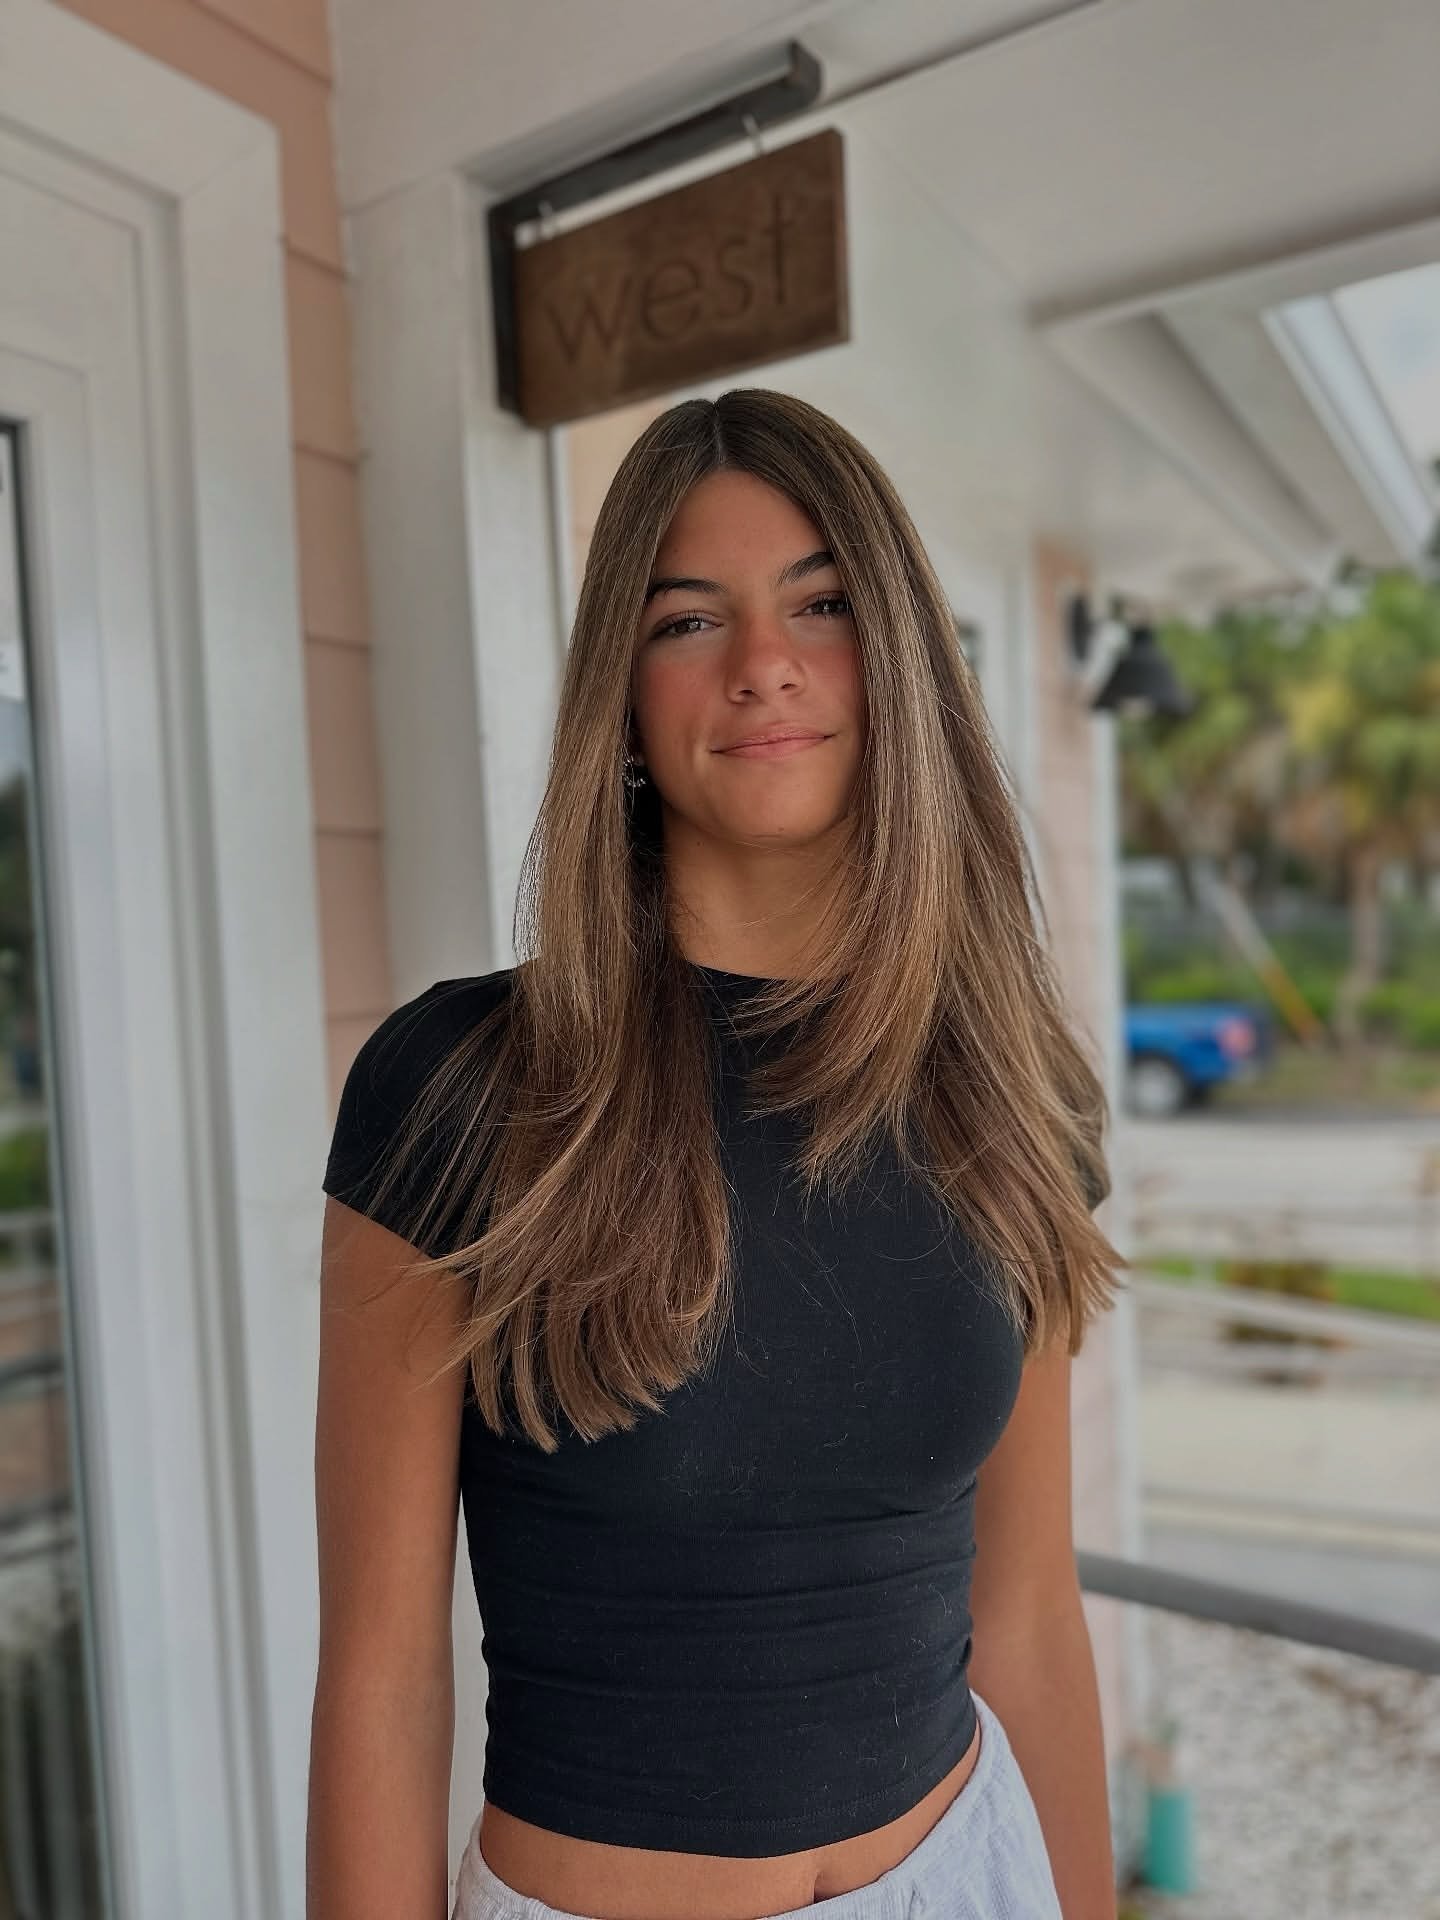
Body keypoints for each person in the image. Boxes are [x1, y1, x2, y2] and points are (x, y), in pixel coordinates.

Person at [307, 388, 1127, 1920]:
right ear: (621, 697)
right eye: (689, 620)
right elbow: (383, 1672)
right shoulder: (466, 1090)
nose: (764, 662)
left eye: (821, 603)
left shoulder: (1015, 1089)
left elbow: (1026, 1615)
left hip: (965, 1877)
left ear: (899, 657)